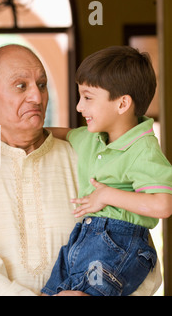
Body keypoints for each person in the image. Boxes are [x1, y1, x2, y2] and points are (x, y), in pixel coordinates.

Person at [0, 44, 162, 296]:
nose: (37, 98)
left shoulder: (90, 158)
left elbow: (139, 256)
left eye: (41, 85)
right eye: (21, 86)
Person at [39, 46, 172, 296]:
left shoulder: (142, 148)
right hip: (84, 236)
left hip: (121, 243)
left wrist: (106, 196)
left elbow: (163, 205)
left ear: (122, 103)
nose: (79, 107)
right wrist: (6, 137)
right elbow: (60, 133)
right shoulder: (91, 137)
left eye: (88, 98)